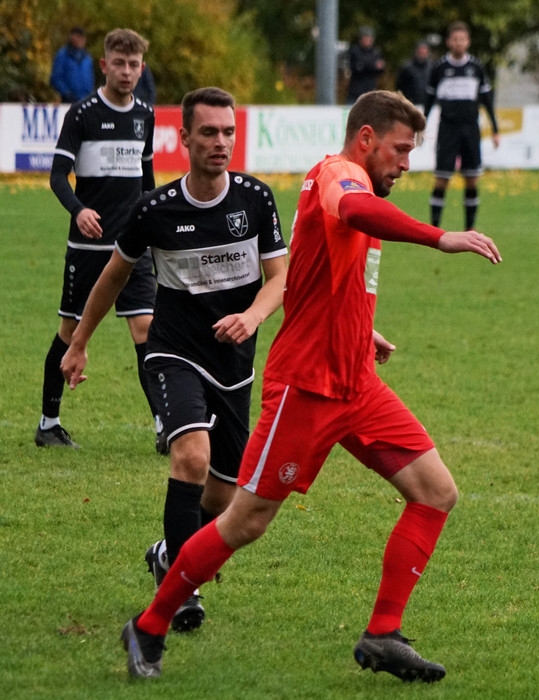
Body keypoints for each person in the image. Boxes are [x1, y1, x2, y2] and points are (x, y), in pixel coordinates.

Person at [117, 89, 501, 683]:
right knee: (245, 521)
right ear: (366, 139)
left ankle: (383, 634)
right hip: (308, 387)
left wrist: (362, 329)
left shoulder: (360, 182)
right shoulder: (338, 175)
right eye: (400, 150)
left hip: (357, 382)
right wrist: (439, 236)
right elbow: (354, 211)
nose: (406, 164)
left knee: (435, 492)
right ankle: (149, 625)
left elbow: (327, 274)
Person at [62, 86, 288, 633]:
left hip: (234, 361)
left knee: (224, 493)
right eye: (208, 132)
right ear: (183, 137)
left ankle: (168, 553)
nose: (220, 142)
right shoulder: (155, 209)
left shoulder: (255, 199)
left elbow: (281, 278)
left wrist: (252, 316)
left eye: (228, 132)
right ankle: (180, 593)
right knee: (190, 456)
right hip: (174, 351)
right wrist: (79, 341)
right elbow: (113, 277)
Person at [37, 28, 156, 450]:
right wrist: (79, 210)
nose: (126, 71)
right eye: (119, 64)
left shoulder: (145, 115)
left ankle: (165, 426)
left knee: (147, 329)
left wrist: (153, 224)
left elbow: (146, 179)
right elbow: (57, 176)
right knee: (70, 330)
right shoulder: (82, 113)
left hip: (132, 247)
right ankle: (48, 423)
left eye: (133, 65)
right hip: (88, 248)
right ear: (104, 65)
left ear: (141, 68)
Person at [425, 20, 500, 231]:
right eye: (455, 39)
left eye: (462, 39)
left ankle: (470, 228)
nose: (459, 43)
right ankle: (434, 228)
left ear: (468, 42)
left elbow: (487, 100)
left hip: (470, 129)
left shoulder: (476, 67)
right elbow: (429, 99)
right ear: (449, 42)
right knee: (442, 179)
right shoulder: (439, 68)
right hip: (448, 129)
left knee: (472, 178)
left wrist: (495, 129)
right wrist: (421, 125)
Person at [50, 26, 94, 103]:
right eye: (78, 37)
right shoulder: (62, 55)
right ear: (72, 38)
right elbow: (55, 78)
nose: (82, 40)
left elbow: (90, 78)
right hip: (68, 100)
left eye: (83, 38)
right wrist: (66, 93)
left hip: (85, 100)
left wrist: (90, 94)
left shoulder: (87, 57)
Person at [345, 26, 385, 103]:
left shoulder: (376, 52)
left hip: (370, 90)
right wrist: (373, 66)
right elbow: (357, 68)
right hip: (356, 91)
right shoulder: (355, 51)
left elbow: (380, 69)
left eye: (369, 38)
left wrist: (367, 65)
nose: (367, 40)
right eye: (365, 37)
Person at [395, 40, 432, 109]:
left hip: (427, 104)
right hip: (412, 104)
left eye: (425, 50)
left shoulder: (431, 67)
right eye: (421, 50)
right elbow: (399, 85)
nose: (423, 52)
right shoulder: (407, 68)